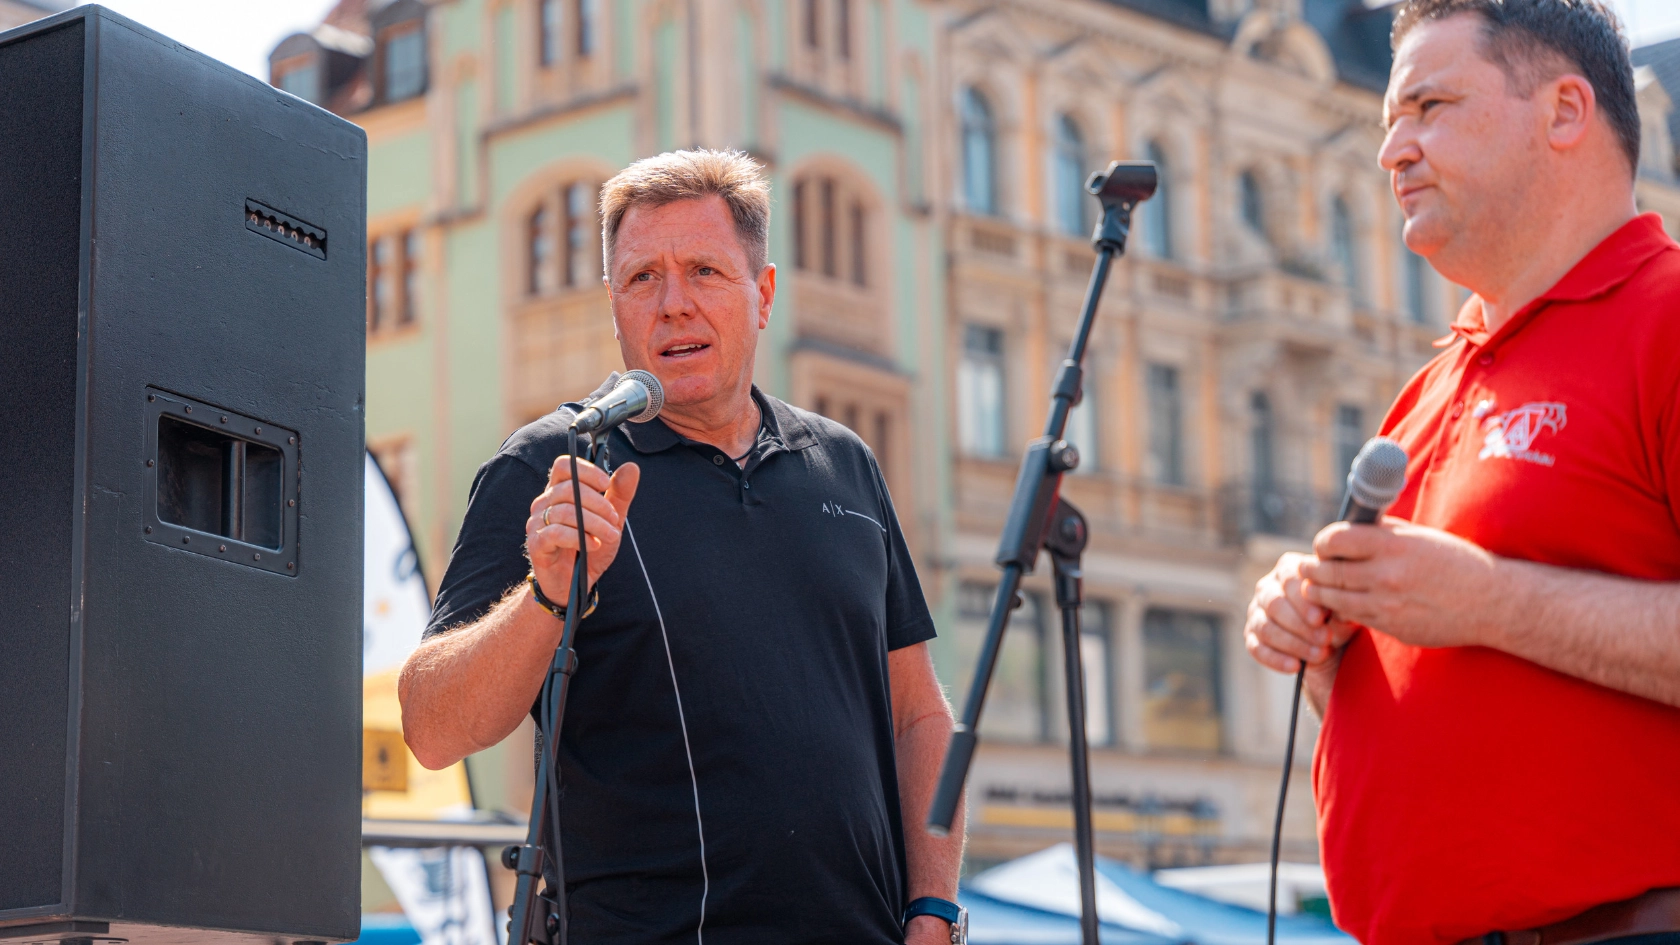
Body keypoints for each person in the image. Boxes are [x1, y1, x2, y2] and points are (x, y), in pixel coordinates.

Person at [398, 150, 965, 945]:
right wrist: (546, 594)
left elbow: (919, 715)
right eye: (642, 278)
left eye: (704, 271)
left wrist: (935, 908)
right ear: (614, 304)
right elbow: (431, 726)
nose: (673, 304)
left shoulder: (845, 462)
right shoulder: (552, 464)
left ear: (762, 294)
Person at [1243, 1, 1680, 942]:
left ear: (1565, 111)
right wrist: (1330, 649)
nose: (1391, 151)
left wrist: (1486, 600)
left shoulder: (1668, 317)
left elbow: (1477, 610)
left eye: (1429, 107)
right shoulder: (1429, 388)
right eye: (1388, 121)